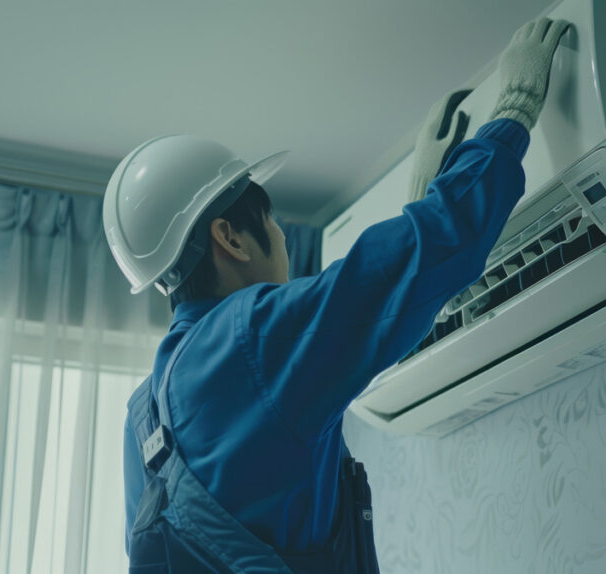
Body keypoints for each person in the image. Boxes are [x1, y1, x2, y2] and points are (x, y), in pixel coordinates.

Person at [106, 17, 570, 574]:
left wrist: (415, 206)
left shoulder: (144, 419)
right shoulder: (253, 340)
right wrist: (514, 109)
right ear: (230, 238)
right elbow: (441, 242)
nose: (281, 239)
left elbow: (375, 314)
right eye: (272, 222)